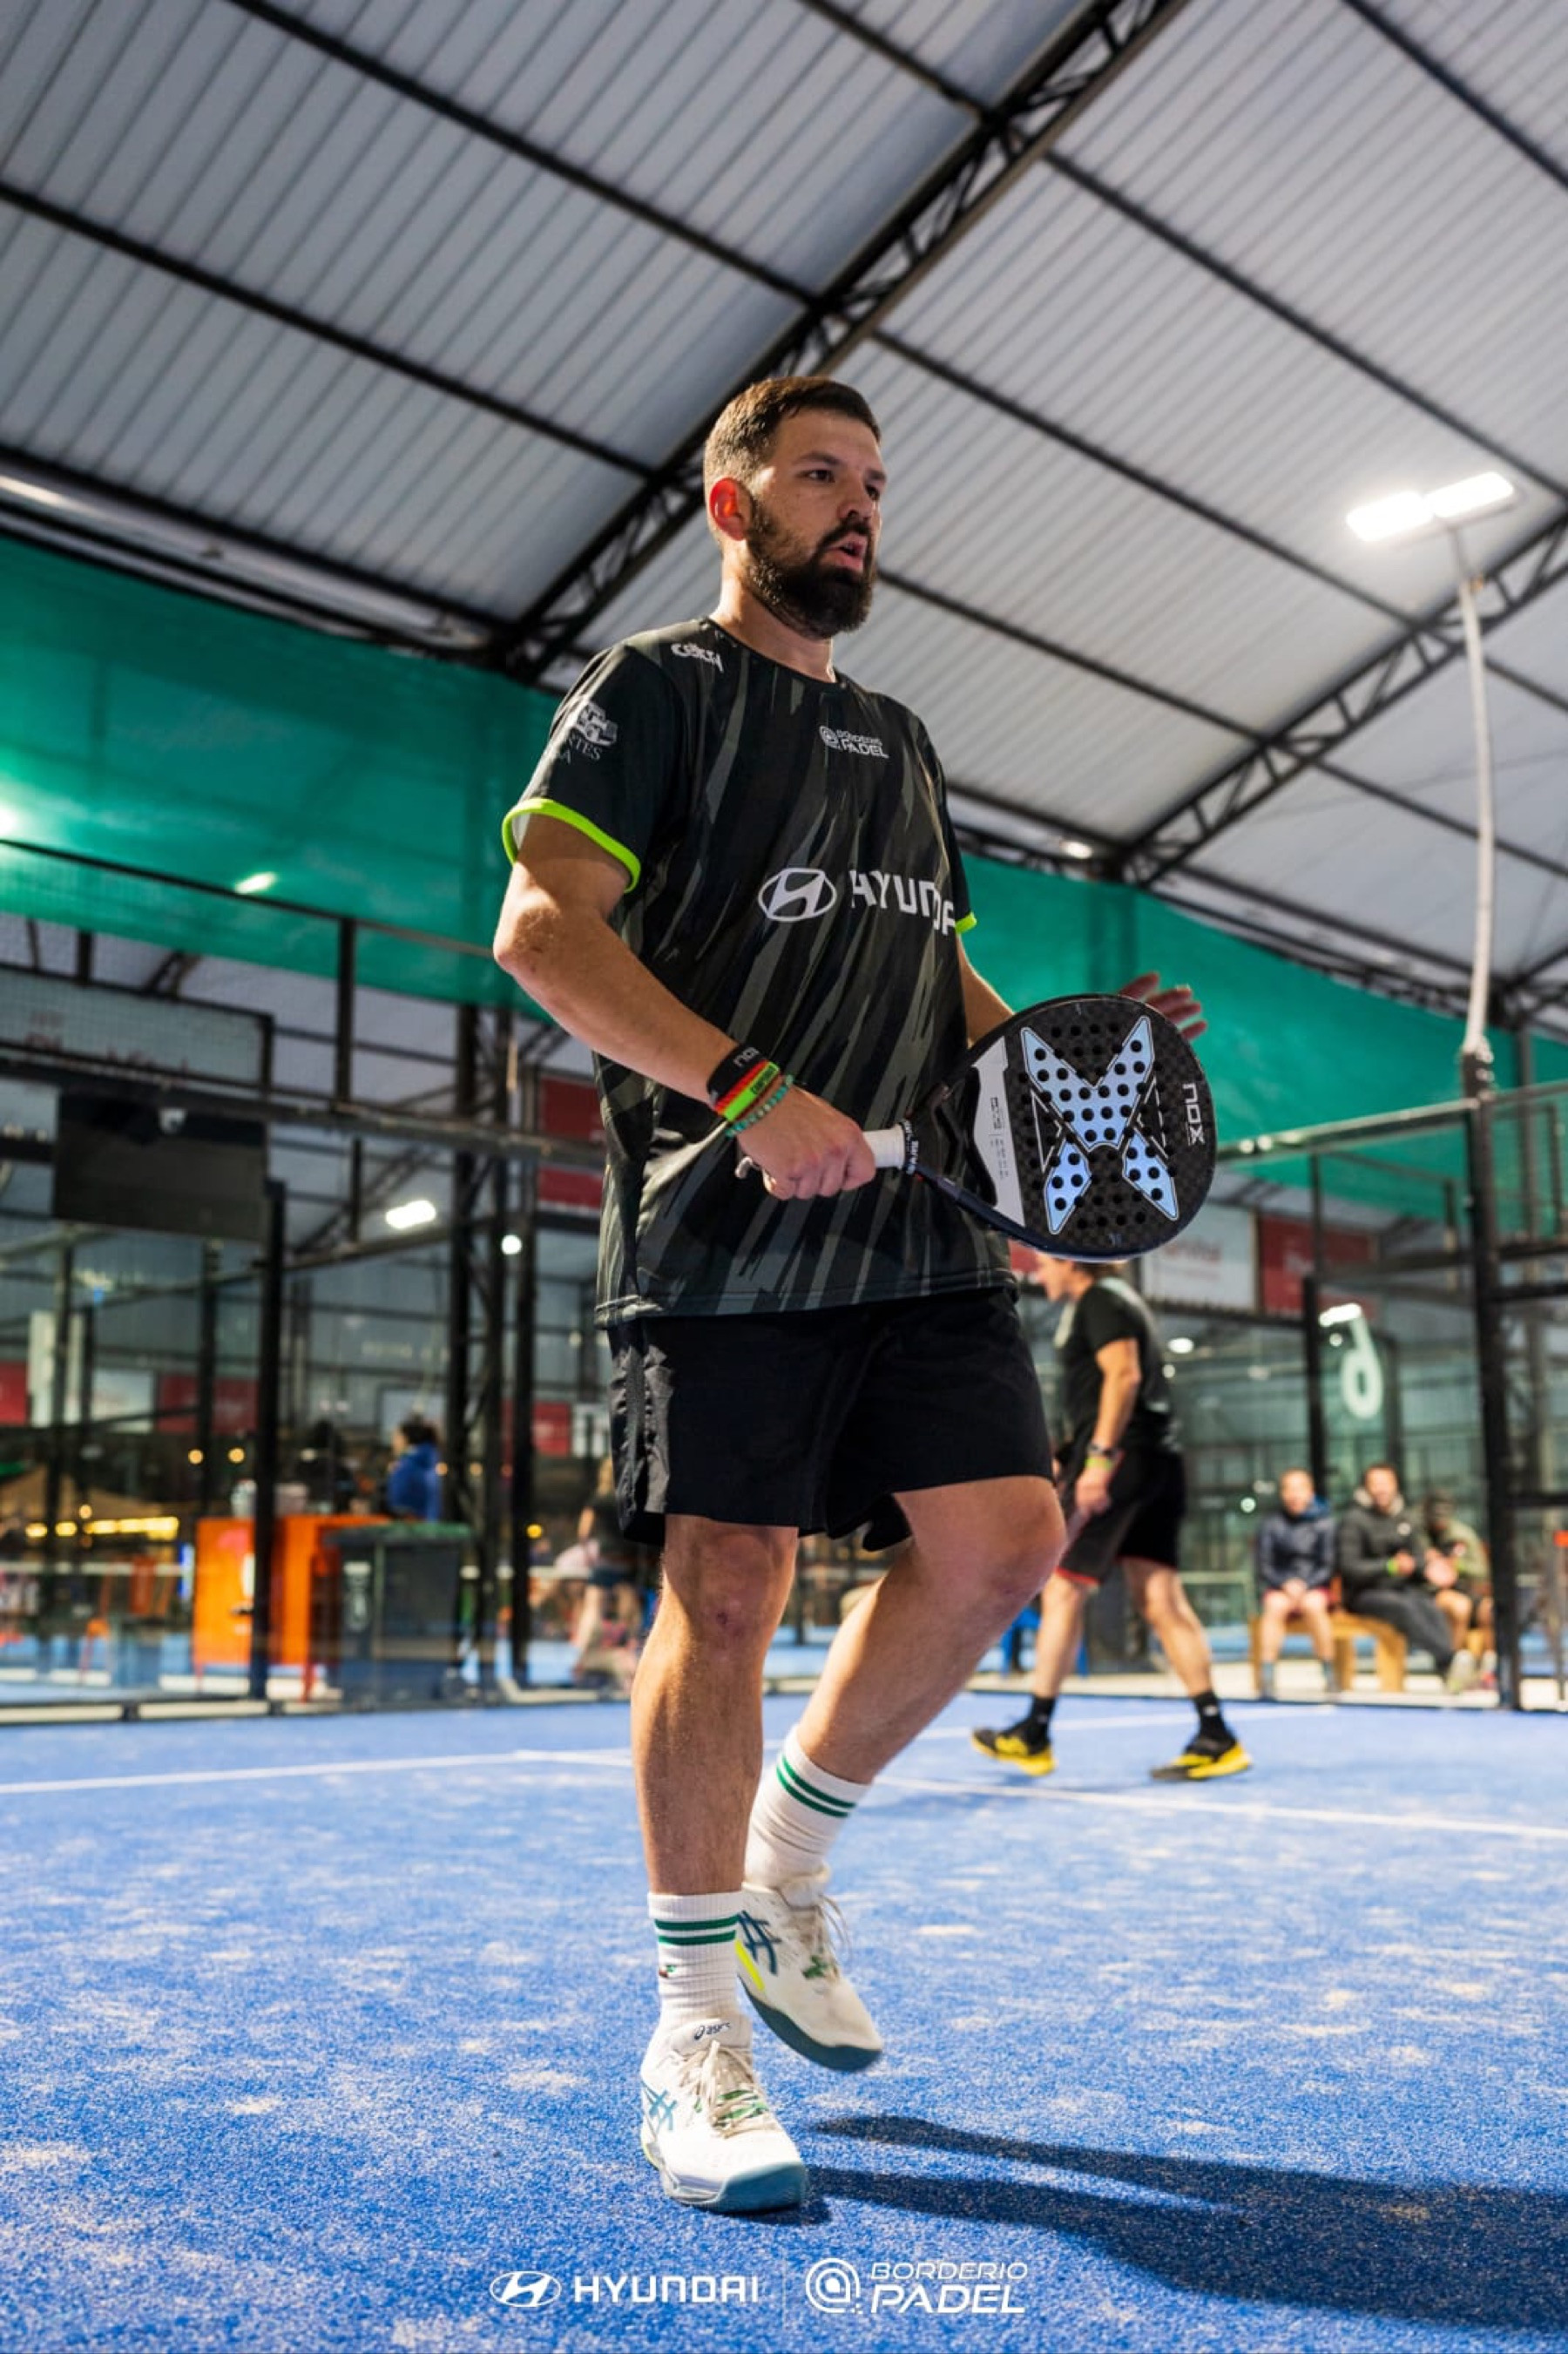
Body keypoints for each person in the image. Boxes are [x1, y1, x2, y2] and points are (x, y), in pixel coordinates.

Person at [492, 372, 1202, 2214]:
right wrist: (749, 1089)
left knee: (1006, 1538)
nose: (859, 505)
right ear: (735, 507)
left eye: (875, 481)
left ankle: (787, 1861)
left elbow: (938, 986)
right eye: (820, 474)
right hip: (722, 1227)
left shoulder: (901, 740)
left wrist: (1066, 1068)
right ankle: (692, 2035)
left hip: (920, 1236)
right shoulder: (655, 693)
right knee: (726, 1586)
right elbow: (544, 929)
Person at [972, 1258, 1249, 1782]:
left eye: (1046, 1262)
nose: (1040, 1274)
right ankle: (1216, 1733)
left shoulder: (1101, 1300)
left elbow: (1124, 1375)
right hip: (1155, 1461)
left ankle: (1034, 1732)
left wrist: (1097, 1460)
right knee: (1160, 1597)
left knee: (1063, 1588)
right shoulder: (1119, 1301)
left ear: (1071, 1261)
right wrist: (1071, 1452)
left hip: (1123, 1459)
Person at [1336, 1464, 1478, 1693]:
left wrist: (1428, 1568)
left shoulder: (1405, 1518)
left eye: (1386, 1483)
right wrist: (1390, 1566)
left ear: (1395, 1485)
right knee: (1403, 1607)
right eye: (1375, 1484)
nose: (1381, 1489)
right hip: (1364, 1594)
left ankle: (1448, 1670)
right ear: (1366, 1488)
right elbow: (1349, 1567)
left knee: (1430, 1606)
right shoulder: (1353, 1521)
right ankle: (1449, 1660)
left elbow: (1418, 1557)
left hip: (1403, 1589)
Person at [1254, 1466, 1335, 1699]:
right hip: (1280, 1587)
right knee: (1274, 1606)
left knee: (1313, 1606)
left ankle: (1329, 1672)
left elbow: (1328, 1565)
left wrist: (1305, 1585)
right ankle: (1267, 1676)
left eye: (1300, 1488)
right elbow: (1264, 1565)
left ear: (1310, 1492)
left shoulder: (1325, 1523)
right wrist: (1285, 1584)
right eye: (1289, 1489)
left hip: (1314, 1586)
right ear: (1282, 1493)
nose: (1294, 1494)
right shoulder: (1270, 1524)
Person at [1422, 1488, 1490, 1657]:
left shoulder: (1462, 1535)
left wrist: (1458, 1566)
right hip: (1430, 1593)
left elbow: (1481, 1571)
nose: (1439, 1516)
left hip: (1464, 1589)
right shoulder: (1417, 1534)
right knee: (1460, 1607)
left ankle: (1490, 1663)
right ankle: (1452, 1661)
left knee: (1489, 1610)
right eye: (1434, 1511)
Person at [384, 1415, 442, 1521]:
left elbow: (399, 1505)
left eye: (396, 1437)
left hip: (417, 1525)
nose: (393, 1443)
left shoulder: (405, 1467)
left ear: (406, 1439)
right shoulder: (433, 1459)